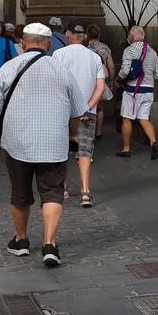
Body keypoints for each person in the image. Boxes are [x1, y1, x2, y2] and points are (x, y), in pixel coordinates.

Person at [0, 23, 90, 268]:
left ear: (23, 43)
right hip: (53, 143)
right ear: (48, 44)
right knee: (52, 192)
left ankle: (21, 241)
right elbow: (80, 110)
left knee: (20, 193)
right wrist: (72, 135)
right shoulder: (61, 69)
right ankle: (49, 244)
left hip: (18, 143)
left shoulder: (9, 68)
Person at [53, 24, 108, 208]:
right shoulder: (94, 57)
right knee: (85, 151)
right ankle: (85, 192)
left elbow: (56, 84)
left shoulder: (59, 55)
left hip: (64, 113)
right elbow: (101, 86)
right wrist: (87, 107)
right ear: (84, 37)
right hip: (88, 113)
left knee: (63, 151)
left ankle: (65, 188)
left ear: (68, 34)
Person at [116, 26, 158, 159]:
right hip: (149, 90)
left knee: (127, 118)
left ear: (132, 36)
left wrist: (119, 79)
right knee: (143, 118)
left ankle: (126, 149)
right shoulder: (152, 52)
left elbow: (125, 71)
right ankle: (154, 142)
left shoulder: (129, 50)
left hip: (133, 90)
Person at [85, 24, 115, 140]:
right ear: (99, 35)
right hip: (102, 79)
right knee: (100, 106)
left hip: (89, 79)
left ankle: (88, 131)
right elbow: (111, 66)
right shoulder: (104, 48)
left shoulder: (85, 49)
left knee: (89, 104)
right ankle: (98, 132)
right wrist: (111, 80)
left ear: (87, 35)